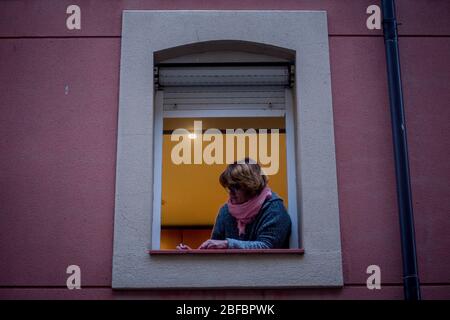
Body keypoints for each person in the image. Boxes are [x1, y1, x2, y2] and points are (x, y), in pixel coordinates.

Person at [177, 158, 292, 250]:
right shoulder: (225, 211)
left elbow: (267, 247)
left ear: (250, 186)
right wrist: (192, 255)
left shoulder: (274, 208)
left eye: (236, 187)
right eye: (229, 187)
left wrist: (228, 244)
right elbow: (214, 249)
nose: (230, 192)